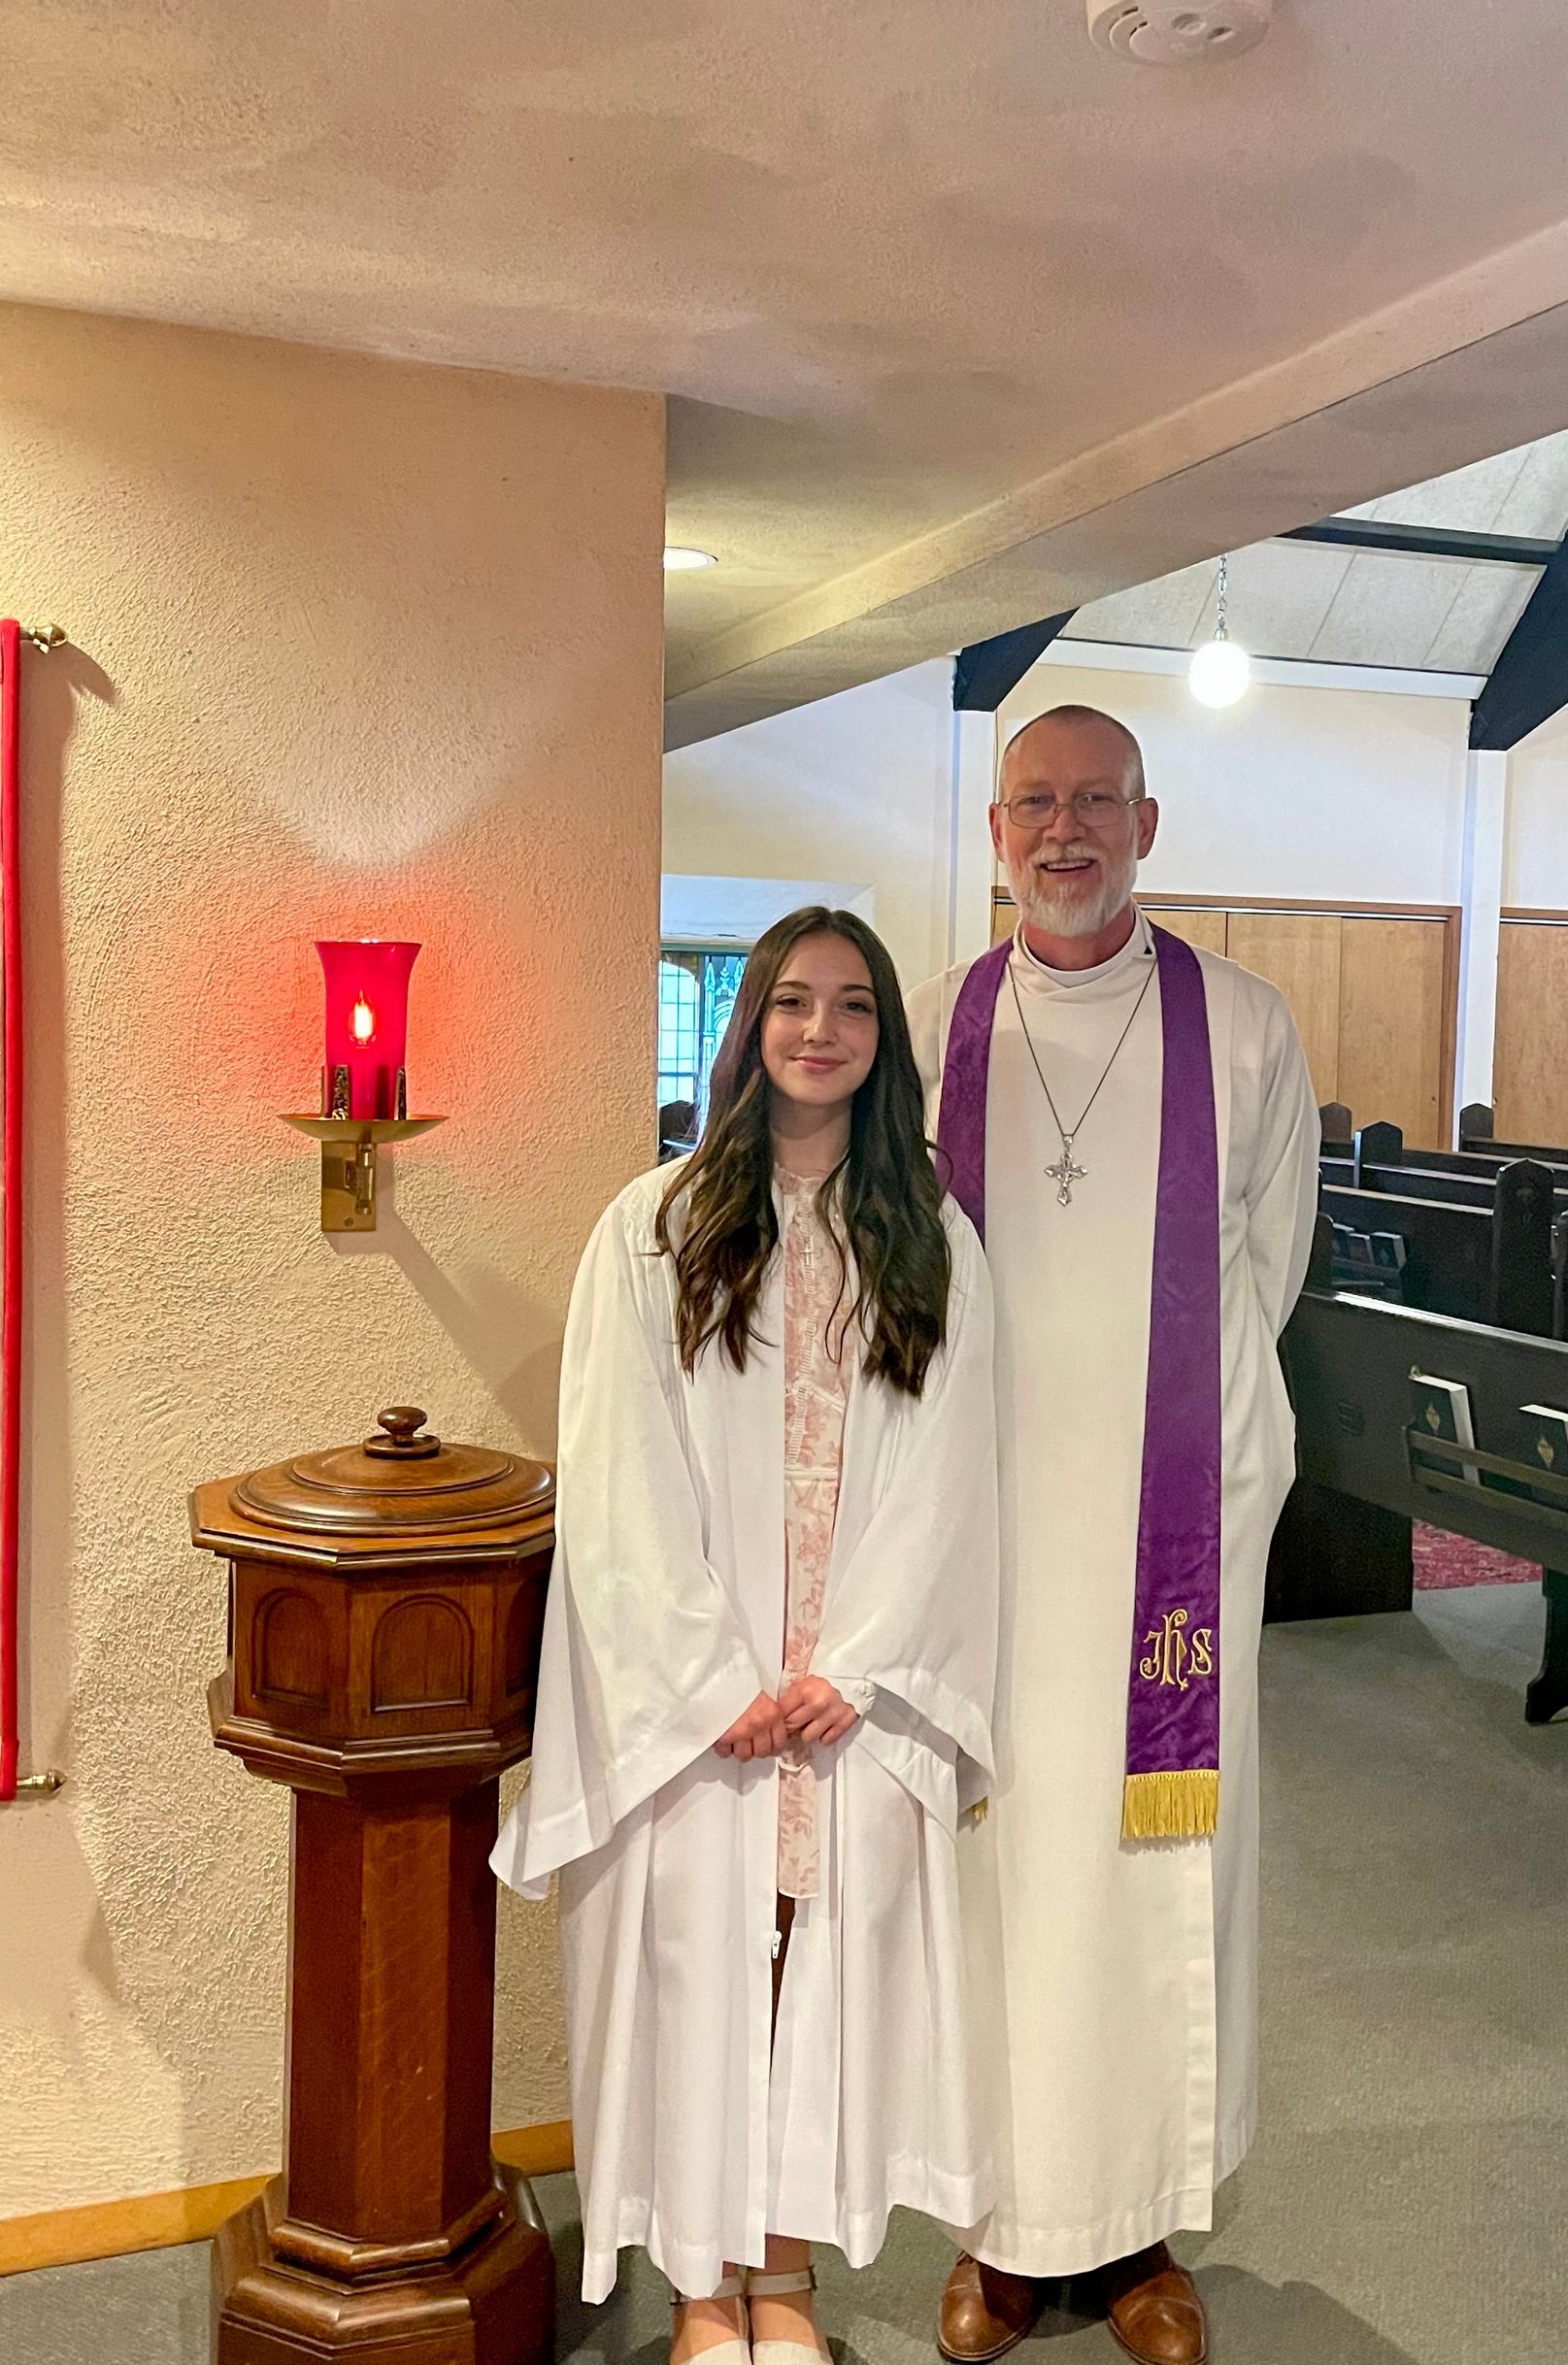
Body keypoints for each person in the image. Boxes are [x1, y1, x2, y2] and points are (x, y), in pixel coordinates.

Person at [496, 907, 1000, 2363]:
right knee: (696, 1973)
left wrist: (864, 1660)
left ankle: (785, 2285)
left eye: (851, 1006)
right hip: (705, 1696)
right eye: (792, 1002)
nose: (821, 1030)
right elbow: (614, 1468)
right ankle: (702, 2293)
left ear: (881, 1043)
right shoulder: (653, 1224)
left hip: (844, 1686)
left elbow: (958, 1471)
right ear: (751, 1026)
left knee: (809, 1977)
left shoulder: (931, 1237)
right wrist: (711, 1676)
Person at [907, 706, 1319, 2365]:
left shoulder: (1248, 1026)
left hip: (1168, 1552)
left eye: (1095, 802)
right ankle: (1000, 2240)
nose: (1064, 831)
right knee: (996, 1870)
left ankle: (1139, 2235)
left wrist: (1172, 1453)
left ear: (1149, 822)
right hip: (991, 1536)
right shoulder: (940, 1020)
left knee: (1157, 1863)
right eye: (1033, 805)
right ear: (996, 832)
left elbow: (1268, 1267)